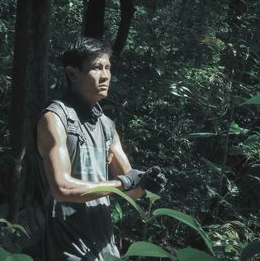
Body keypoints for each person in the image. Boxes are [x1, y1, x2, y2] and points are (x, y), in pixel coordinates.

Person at [35, 37, 167, 260]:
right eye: (97, 68)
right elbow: (62, 188)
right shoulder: (55, 119)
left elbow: (130, 189)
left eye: (108, 68)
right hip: (64, 249)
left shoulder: (107, 125)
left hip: (104, 249)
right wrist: (121, 183)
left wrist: (146, 184)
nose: (105, 76)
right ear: (72, 73)